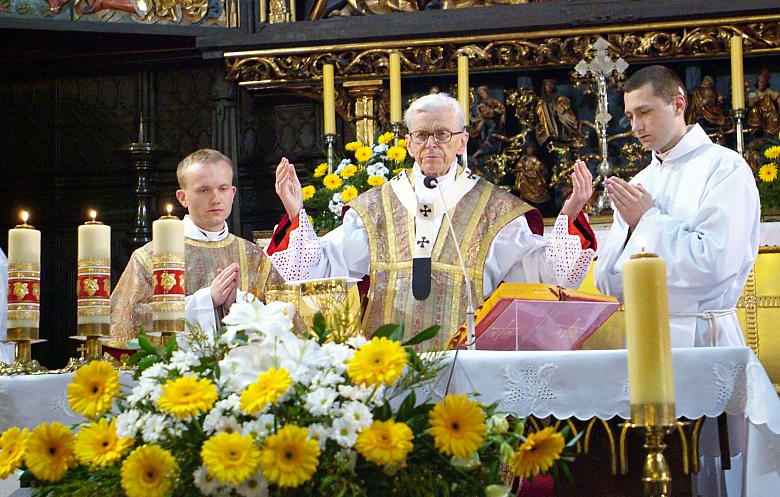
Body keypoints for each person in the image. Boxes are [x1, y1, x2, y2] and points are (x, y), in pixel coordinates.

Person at [268, 93, 597, 348]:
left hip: (470, 359)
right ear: (408, 143)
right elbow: (319, 269)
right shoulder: (374, 208)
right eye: (422, 135)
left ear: (462, 141)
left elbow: (544, 275)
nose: (431, 144)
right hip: (385, 362)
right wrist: (296, 212)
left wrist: (569, 213)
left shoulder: (496, 210)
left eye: (442, 134)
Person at [595, 65, 760, 348]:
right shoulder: (640, 182)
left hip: (705, 338)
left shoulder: (724, 168)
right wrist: (637, 228)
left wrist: (646, 221)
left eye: (644, 112)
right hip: (644, 338)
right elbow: (610, 283)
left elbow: (713, 266)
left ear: (678, 104)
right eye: (630, 116)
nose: (635, 127)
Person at [111, 149, 280, 340]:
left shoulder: (254, 256)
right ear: (182, 197)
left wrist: (238, 303)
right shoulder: (149, 257)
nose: (216, 198)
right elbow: (128, 321)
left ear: (233, 193)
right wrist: (207, 301)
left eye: (223, 188)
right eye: (204, 190)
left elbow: (282, 318)